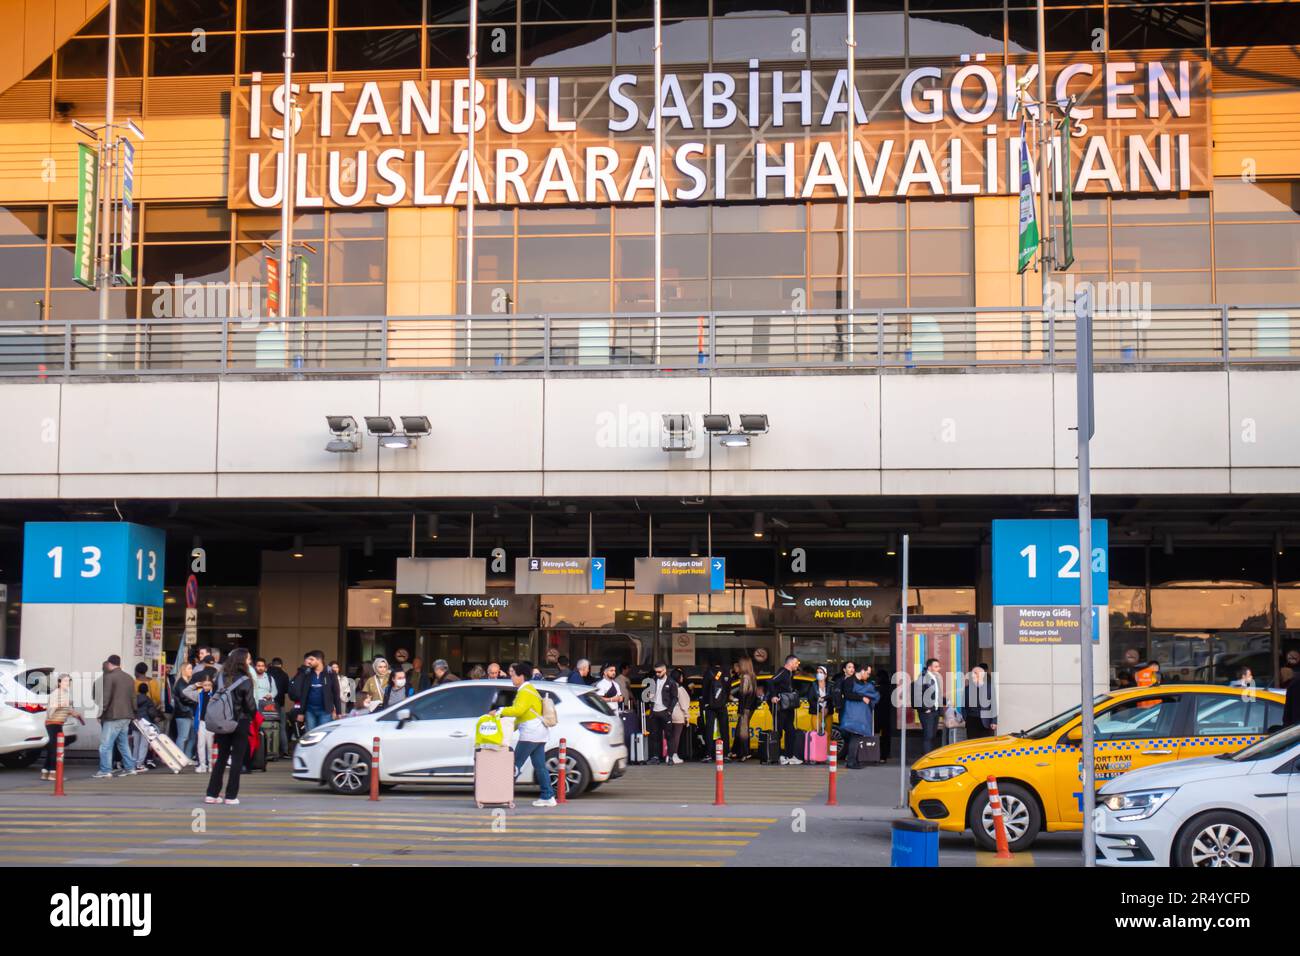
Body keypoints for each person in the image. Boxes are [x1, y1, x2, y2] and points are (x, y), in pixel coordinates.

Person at [187, 648, 258, 806]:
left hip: (221, 721)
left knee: (221, 758)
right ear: (242, 661)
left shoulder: (219, 677)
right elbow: (250, 704)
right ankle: (231, 796)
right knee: (237, 759)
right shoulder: (246, 680)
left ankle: (211, 794)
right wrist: (253, 716)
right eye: (248, 659)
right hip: (240, 722)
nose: (250, 661)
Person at [492, 662, 557, 808]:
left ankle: (501, 796)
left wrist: (500, 711)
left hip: (531, 734)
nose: (511, 677)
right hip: (539, 733)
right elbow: (523, 715)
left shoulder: (525, 691)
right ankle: (548, 796)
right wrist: (510, 728)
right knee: (540, 766)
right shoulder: (529, 689)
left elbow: (518, 710)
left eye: (513, 674)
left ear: (521, 676)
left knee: (513, 765)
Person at [94, 656, 138, 779]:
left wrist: (100, 713)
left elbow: (106, 697)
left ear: (109, 664)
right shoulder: (129, 678)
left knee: (105, 745)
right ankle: (130, 768)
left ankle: (105, 770)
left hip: (113, 716)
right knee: (123, 743)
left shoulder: (109, 677)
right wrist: (134, 712)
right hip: (127, 715)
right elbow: (134, 697)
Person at [41, 673, 83, 781]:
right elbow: (51, 709)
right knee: (55, 748)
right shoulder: (56, 693)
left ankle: (45, 772)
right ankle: (53, 773)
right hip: (53, 723)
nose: (67, 683)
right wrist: (60, 705)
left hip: (58, 723)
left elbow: (66, 708)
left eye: (68, 681)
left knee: (52, 748)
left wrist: (74, 714)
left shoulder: (64, 693)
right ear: (59, 682)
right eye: (64, 681)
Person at [838, 665, 880, 768]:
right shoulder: (849, 681)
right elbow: (847, 695)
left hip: (858, 715)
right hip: (852, 715)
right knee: (855, 737)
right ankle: (851, 762)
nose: (868, 676)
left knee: (855, 737)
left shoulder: (861, 682)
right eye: (868, 673)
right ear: (862, 671)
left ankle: (852, 760)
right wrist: (862, 698)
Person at [290, 651, 343, 730]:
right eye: (308, 660)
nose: (309, 662)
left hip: (326, 711)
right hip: (310, 711)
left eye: (312, 659)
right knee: (310, 735)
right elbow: (303, 694)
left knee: (323, 734)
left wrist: (339, 712)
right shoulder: (307, 673)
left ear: (319, 660)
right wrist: (301, 712)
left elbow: (336, 693)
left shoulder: (330, 673)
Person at [768, 654, 802, 765]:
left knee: (790, 731)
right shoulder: (783, 672)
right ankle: (777, 756)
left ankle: (789, 755)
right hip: (780, 707)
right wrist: (773, 696)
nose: (797, 665)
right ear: (790, 662)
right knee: (778, 732)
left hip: (788, 706)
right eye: (796, 662)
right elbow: (771, 681)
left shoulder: (790, 674)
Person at [645, 662, 678, 765]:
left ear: (665, 670)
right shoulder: (653, 681)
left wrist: (669, 710)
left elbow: (675, 698)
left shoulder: (671, 682)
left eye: (659, 672)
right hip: (654, 711)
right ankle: (655, 757)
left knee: (669, 735)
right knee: (654, 735)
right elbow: (648, 695)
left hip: (665, 711)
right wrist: (649, 696)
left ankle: (670, 757)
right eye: (656, 672)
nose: (657, 674)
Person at [700, 662, 730, 760]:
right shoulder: (726, 672)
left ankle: (708, 754)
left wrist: (706, 702)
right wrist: (725, 700)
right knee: (724, 730)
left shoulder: (708, 673)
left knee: (709, 730)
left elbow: (704, 689)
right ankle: (725, 754)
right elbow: (729, 689)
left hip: (710, 706)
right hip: (722, 705)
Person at [731, 657, 760, 760]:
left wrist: (740, 709)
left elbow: (743, 694)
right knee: (741, 728)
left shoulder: (745, 677)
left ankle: (744, 753)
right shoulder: (753, 676)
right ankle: (736, 751)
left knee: (743, 730)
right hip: (751, 707)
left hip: (745, 707)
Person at [915, 658, 945, 756]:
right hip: (927, 712)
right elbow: (917, 695)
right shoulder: (923, 677)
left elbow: (936, 695)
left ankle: (929, 757)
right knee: (928, 736)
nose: (938, 668)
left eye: (938, 666)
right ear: (929, 667)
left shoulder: (935, 678)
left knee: (932, 735)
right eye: (936, 666)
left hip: (935, 711)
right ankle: (926, 759)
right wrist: (925, 708)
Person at [131, 680, 163, 771]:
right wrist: (156, 717)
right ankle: (140, 764)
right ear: (147, 691)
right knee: (143, 745)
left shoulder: (134, 699)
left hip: (135, 723)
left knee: (135, 745)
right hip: (145, 724)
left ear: (138, 690)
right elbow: (151, 712)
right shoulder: (148, 700)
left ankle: (133, 764)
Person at [963, 664, 997, 740]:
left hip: (986, 721)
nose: (972, 675)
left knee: (986, 744)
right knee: (972, 743)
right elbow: (964, 706)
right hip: (971, 721)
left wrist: (994, 721)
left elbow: (994, 705)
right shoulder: (967, 689)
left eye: (975, 673)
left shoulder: (990, 687)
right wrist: (966, 718)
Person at [171, 662, 197, 761]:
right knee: (183, 737)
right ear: (183, 670)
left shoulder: (187, 683)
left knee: (192, 737)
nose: (191, 671)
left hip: (188, 713)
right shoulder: (181, 683)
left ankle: (186, 757)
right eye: (189, 669)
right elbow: (185, 698)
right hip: (183, 713)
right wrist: (196, 699)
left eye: (191, 668)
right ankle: (179, 758)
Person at [267, 657, 292, 756]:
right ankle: (284, 750)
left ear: (272, 664)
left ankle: (270, 750)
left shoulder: (267, 674)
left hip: (267, 704)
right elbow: (287, 690)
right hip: (280, 703)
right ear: (281, 664)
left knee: (269, 726)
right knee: (282, 727)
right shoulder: (284, 675)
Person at [668, 667, 691, 764]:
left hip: (669, 714)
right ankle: (674, 755)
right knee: (676, 736)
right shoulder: (680, 689)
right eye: (681, 676)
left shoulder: (669, 687)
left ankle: (669, 756)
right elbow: (684, 704)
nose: (682, 678)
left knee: (671, 736)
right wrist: (687, 717)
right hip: (678, 714)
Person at [806, 665, 833, 737]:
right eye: (817, 672)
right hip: (816, 712)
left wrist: (827, 708)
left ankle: (826, 748)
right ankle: (817, 748)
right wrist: (821, 709)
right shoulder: (813, 684)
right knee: (817, 733)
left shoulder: (830, 685)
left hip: (828, 713)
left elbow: (832, 697)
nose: (819, 674)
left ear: (826, 675)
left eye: (821, 672)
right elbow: (810, 699)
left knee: (828, 734)